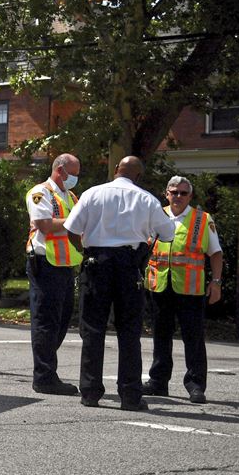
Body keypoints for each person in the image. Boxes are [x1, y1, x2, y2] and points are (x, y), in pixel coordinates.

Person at [63, 156, 176, 410]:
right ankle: (130, 395)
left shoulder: (92, 194)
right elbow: (167, 234)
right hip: (128, 265)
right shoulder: (147, 199)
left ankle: (90, 392)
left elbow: (71, 229)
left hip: (96, 262)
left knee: (92, 329)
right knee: (129, 331)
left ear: (116, 170)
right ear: (138, 176)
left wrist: (85, 253)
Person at [143, 176, 223, 404]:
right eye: (174, 192)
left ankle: (196, 385)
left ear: (190, 196)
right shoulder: (155, 216)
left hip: (190, 289)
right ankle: (158, 382)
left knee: (194, 338)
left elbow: (215, 253)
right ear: (166, 193)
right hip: (160, 285)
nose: (178, 196)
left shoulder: (202, 220)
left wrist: (216, 282)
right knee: (161, 335)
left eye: (183, 193)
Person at [24, 153, 82, 394]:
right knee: (45, 323)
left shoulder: (71, 196)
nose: (77, 178)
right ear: (60, 170)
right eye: (74, 173)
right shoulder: (40, 192)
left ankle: (47, 372)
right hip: (45, 264)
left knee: (60, 322)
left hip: (65, 266)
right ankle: (44, 377)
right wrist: (75, 221)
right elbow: (45, 225)